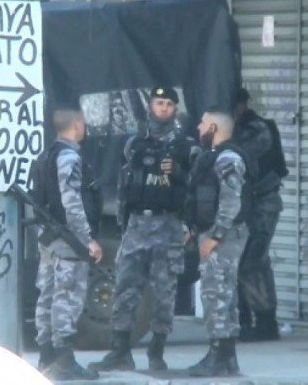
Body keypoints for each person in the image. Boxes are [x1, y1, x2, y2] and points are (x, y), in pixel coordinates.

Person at [90, 87, 196, 372]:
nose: (163, 108)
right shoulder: (134, 144)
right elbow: (125, 188)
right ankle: (120, 350)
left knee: (164, 294)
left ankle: (156, 351)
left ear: (175, 108)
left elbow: (197, 189)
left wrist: (178, 175)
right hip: (137, 225)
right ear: (150, 106)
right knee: (124, 289)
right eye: (158, 103)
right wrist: (125, 225)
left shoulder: (185, 147)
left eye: (168, 104)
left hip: (168, 225)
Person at [32, 107, 103, 381]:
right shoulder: (70, 157)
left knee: (48, 296)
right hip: (68, 240)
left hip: (50, 237)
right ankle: (64, 360)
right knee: (67, 297)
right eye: (83, 122)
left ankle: (46, 357)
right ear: (76, 123)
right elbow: (71, 202)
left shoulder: (47, 154)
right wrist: (88, 239)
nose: (84, 126)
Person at [185, 111, 254, 377]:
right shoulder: (215, 156)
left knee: (216, 294)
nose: (199, 127)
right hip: (217, 233)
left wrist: (215, 235)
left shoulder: (228, 158)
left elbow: (231, 202)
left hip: (225, 236)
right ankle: (227, 358)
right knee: (223, 293)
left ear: (213, 127)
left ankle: (218, 356)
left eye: (202, 123)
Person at [233, 88, 285, 341]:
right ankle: (247, 320)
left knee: (252, 263)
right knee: (249, 263)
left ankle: (265, 322)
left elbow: (239, 155)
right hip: (246, 205)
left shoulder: (256, 129)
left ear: (241, 105)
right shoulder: (238, 128)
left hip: (263, 205)